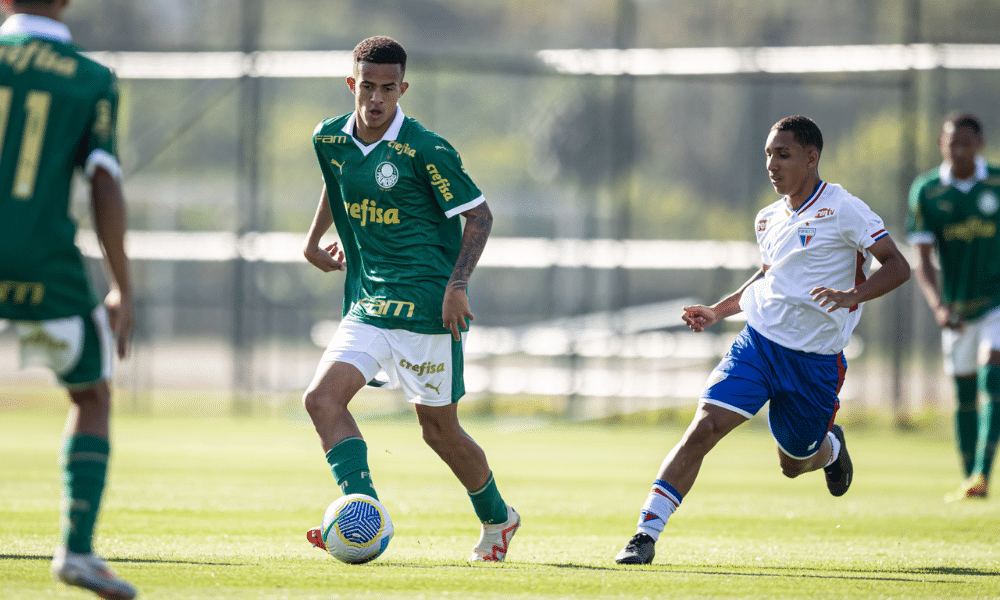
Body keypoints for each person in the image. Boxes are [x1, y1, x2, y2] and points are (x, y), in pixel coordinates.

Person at [615, 116, 911, 565]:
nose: (772, 164)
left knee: (793, 464)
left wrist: (854, 295)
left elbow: (896, 265)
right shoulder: (768, 217)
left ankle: (830, 448)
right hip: (758, 344)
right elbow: (770, 277)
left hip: (814, 363)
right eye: (768, 155)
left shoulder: (844, 208)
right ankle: (644, 534)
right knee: (704, 427)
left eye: (784, 155)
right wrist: (719, 309)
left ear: (812, 158)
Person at [300, 36, 519, 562]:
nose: (377, 99)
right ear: (352, 84)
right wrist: (312, 241)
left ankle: (498, 520)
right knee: (321, 399)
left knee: (438, 432)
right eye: (368, 88)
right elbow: (338, 182)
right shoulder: (328, 138)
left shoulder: (425, 148)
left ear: (403, 88)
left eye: (388, 90)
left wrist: (457, 286)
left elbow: (480, 216)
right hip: (371, 301)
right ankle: (362, 512)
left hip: (426, 308)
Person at [0, 1, 136, 598]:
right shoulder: (90, 77)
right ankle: (76, 550)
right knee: (91, 392)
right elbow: (103, 182)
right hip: (43, 262)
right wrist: (122, 286)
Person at [908, 112, 1000, 502]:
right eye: (951, 143)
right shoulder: (927, 191)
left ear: (978, 144)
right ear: (942, 145)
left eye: (966, 143)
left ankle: (982, 472)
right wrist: (938, 305)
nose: (958, 150)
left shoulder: (997, 181)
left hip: (996, 302)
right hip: (958, 309)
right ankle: (970, 481)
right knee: (963, 393)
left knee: (991, 376)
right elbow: (922, 260)